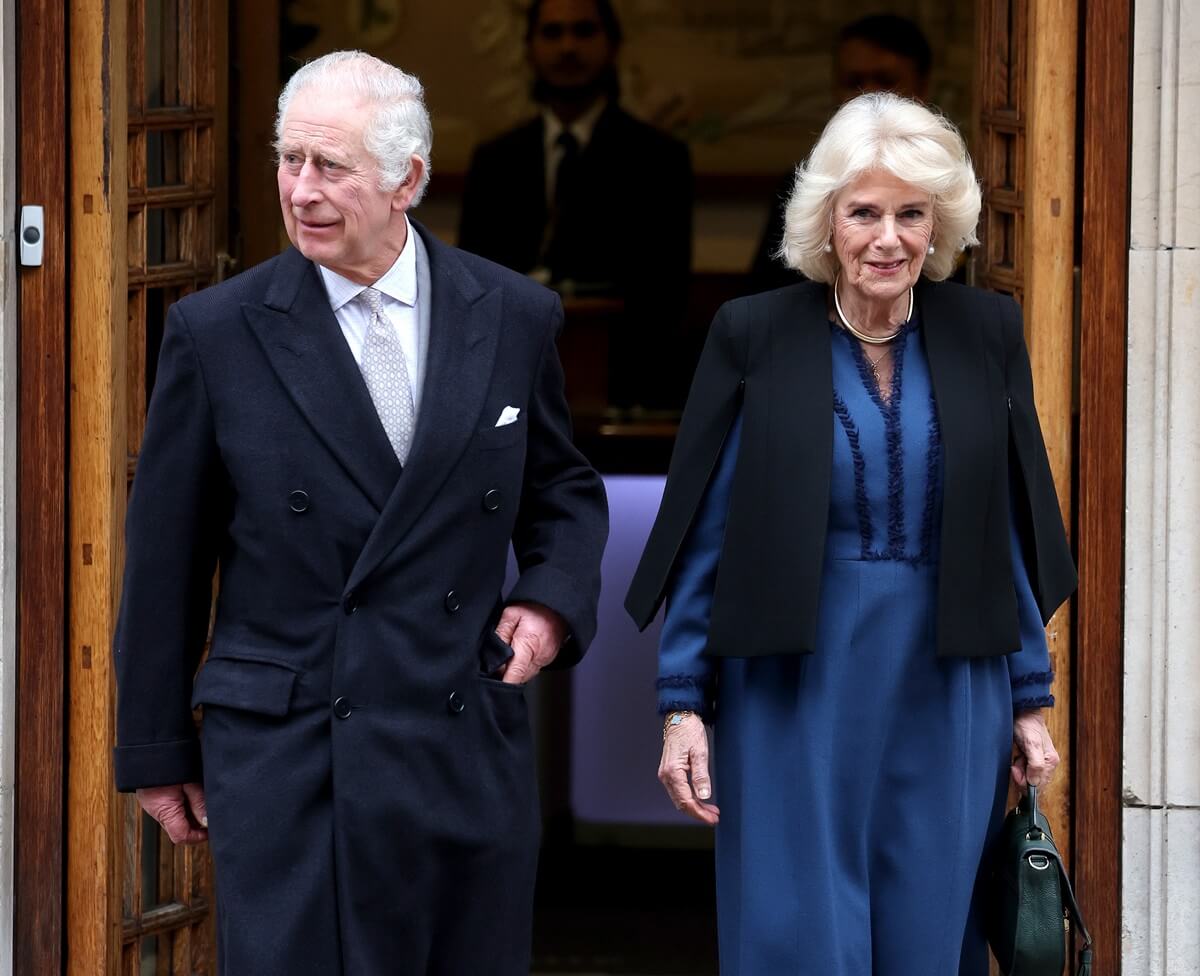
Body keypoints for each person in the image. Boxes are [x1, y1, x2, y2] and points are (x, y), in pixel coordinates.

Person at [113, 51, 608, 976]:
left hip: (457, 731)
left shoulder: (512, 314)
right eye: (289, 159)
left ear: (406, 180)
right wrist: (153, 744)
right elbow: (166, 552)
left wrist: (547, 604)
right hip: (292, 751)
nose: (301, 189)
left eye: (329, 166)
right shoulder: (218, 331)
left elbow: (563, 491)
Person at [625, 92, 1076, 975]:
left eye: (912, 214)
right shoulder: (755, 334)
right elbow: (707, 536)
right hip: (793, 684)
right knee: (799, 932)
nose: (888, 238)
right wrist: (682, 704)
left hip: (950, 684)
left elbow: (1008, 531)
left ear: (939, 224)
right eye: (863, 212)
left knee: (927, 932)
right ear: (826, 220)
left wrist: (1030, 696)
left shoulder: (985, 332)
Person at [458, 0, 692, 408]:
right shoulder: (494, 162)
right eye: (552, 33)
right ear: (529, 48)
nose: (568, 47)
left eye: (583, 32)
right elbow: (471, 286)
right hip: (507, 383)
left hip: (620, 386)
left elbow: (664, 295)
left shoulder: (658, 159)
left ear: (613, 45)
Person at [748, 14, 934, 294]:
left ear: (921, 89)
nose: (869, 95)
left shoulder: (945, 186)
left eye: (886, 80)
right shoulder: (801, 187)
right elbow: (766, 294)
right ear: (835, 89)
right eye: (853, 81)